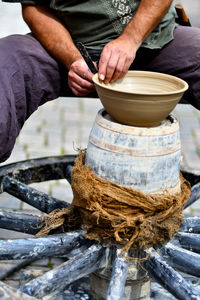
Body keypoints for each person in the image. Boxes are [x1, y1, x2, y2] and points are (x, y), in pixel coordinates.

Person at [0, 0, 200, 162]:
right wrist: (72, 59)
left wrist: (130, 40)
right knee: (7, 60)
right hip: (72, 46)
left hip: (152, 38)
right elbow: (33, 7)